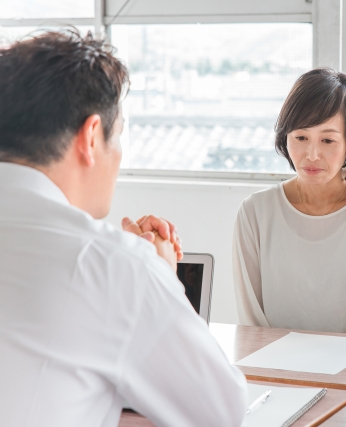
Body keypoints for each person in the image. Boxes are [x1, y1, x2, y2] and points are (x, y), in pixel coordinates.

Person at [0, 30, 247, 426]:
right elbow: (221, 413)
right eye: (119, 134)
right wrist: (160, 278)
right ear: (91, 136)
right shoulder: (111, 264)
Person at [233, 68, 346, 337]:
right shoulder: (255, 212)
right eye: (301, 138)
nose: (312, 154)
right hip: (276, 372)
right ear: (285, 138)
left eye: (328, 140)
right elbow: (251, 325)